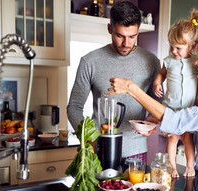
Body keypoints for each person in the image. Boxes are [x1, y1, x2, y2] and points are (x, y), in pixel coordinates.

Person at [106, 36, 198, 185]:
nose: (196, 62)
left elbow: (177, 120)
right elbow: (180, 113)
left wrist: (131, 88)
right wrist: (155, 118)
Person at [67, 1, 161, 164]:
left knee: (135, 190)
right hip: (99, 148)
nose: (126, 44)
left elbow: (157, 100)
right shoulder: (90, 61)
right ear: (110, 29)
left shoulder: (152, 61)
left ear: (138, 30)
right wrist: (89, 139)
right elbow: (74, 107)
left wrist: (152, 118)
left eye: (132, 36)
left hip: (135, 151)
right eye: (120, 36)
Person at [153, 9, 198, 178]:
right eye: (171, 47)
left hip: (188, 109)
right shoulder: (168, 61)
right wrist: (157, 82)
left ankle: (190, 166)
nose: (174, 51)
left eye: (178, 48)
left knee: (187, 139)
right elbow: (162, 74)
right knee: (173, 139)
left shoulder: (196, 61)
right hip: (171, 108)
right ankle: (173, 167)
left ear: (192, 46)